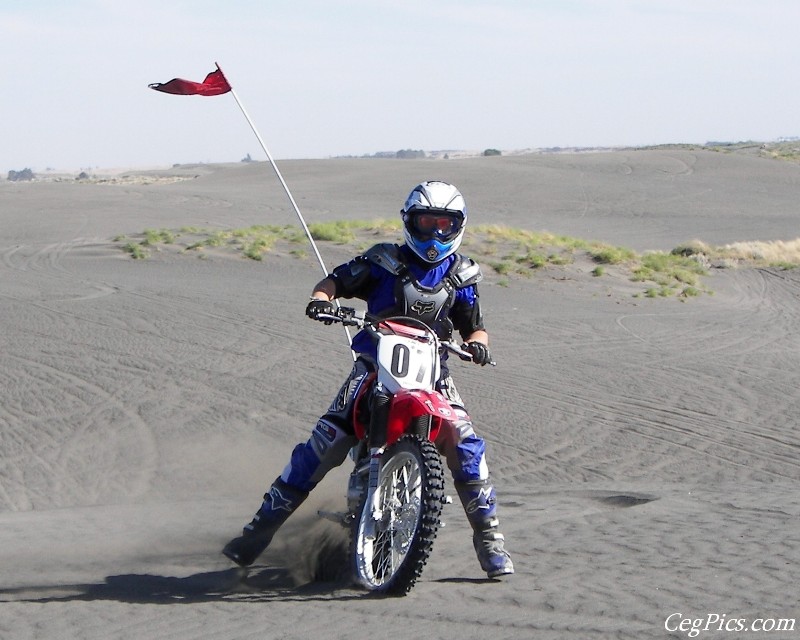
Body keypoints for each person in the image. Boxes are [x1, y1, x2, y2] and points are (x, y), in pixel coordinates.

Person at [223, 180, 514, 578]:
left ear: (457, 225)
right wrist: (321, 302)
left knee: (464, 441)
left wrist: (479, 346)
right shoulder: (382, 261)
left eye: (444, 224)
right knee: (327, 439)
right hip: (376, 364)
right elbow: (335, 282)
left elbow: (475, 328)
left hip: (433, 372)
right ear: (409, 221)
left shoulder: (462, 274)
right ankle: (258, 532)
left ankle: (490, 540)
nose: (434, 233)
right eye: (425, 222)